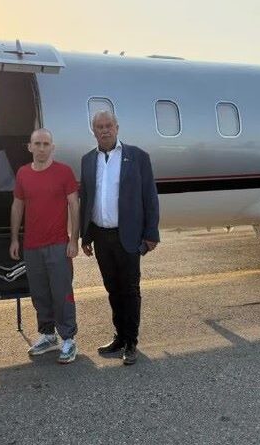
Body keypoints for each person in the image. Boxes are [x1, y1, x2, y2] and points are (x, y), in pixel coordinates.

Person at [79, 110, 160, 365]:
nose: (104, 130)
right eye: (99, 127)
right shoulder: (87, 160)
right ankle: (119, 337)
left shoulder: (137, 157)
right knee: (112, 288)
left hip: (127, 235)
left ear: (117, 127)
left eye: (108, 125)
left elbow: (150, 197)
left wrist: (151, 233)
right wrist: (85, 236)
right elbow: (86, 199)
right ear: (93, 131)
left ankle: (131, 342)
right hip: (101, 236)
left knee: (130, 289)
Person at [9, 128, 80, 364]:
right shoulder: (23, 173)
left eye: (46, 144)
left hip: (58, 245)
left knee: (62, 293)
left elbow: (74, 205)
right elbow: (17, 205)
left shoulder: (64, 172)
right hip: (31, 246)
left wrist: (73, 240)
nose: (41, 148)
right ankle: (48, 335)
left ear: (52, 147)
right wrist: (14, 238)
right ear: (30, 147)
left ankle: (68, 338)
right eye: (37, 144)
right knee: (39, 293)